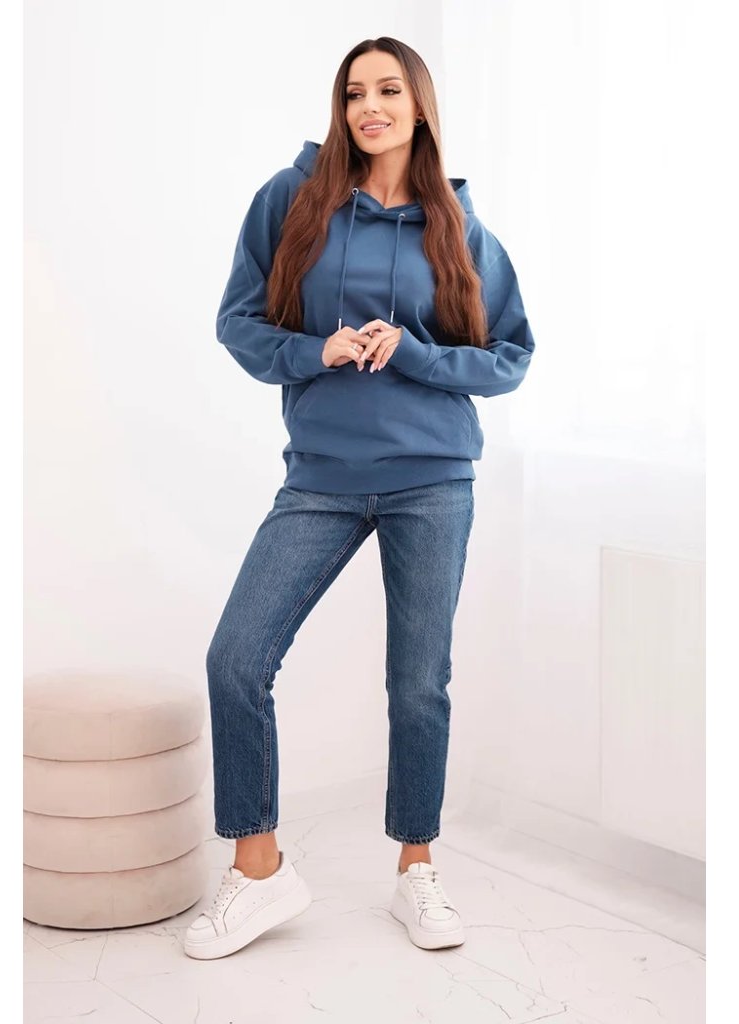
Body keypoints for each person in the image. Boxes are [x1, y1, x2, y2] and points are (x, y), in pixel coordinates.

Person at [184, 36, 534, 961]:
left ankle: (417, 868)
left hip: (433, 477)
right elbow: (237, 322)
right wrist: (315, 350)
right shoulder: (292, 200)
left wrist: (414, 353)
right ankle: (259, 869)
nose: (368, 108)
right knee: (236, 659)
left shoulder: (458, 226)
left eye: (387, 90)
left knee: (418, 684)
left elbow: (510, 358)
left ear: (419, 106)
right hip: (323, 477)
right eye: (353, 94)